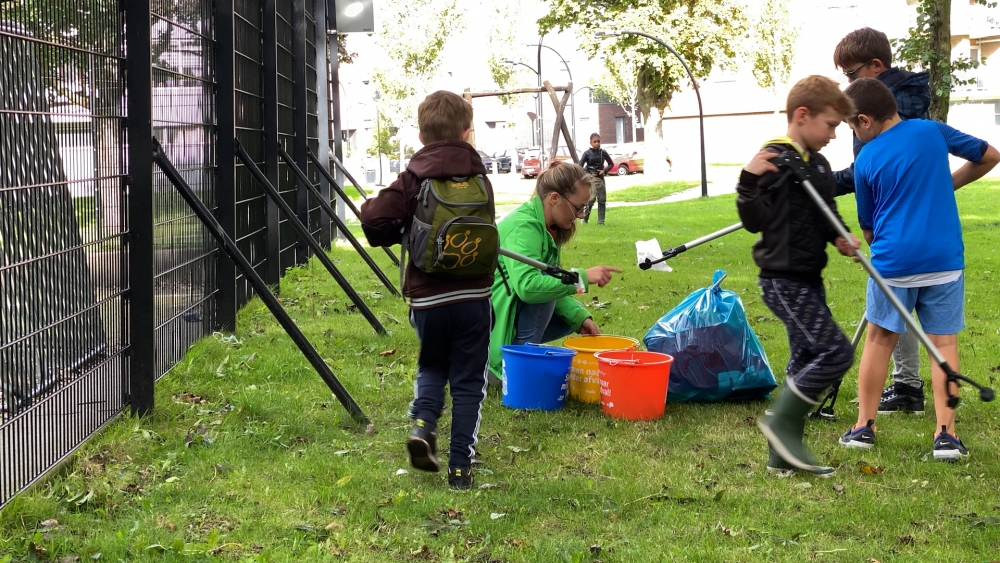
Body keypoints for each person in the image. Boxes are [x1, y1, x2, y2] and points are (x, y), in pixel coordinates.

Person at [838, 78, 999, 460]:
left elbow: (868, 226)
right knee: (943, 345)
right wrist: (948, 183)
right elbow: (990, 155)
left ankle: (863, 427)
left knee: (879, 341)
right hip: (944, 260)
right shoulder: (934, 130)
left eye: (851, 127)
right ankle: (946, 435)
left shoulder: (867, 158)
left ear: (864, 120)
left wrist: (884, 255)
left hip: (894, 263)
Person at [359, 91, 492, 489]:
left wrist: (402, 227)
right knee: (469, 381)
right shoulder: (480, 176)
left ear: (420, 136)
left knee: (433, 365)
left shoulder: (413, 178)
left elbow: (372, 222)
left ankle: (422, 426)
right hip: (474, 299)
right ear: (468, 134)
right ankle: (460, 468)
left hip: (429, 298)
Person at [736, 75, 860, 476]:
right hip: (782, 278)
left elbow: (825, 212)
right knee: (835, 352)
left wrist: (840, 237)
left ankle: (781, 457)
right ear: (802, 115)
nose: (834, 135)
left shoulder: (819, 164)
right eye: (831, 125)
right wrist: (749, 180)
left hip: (810, 276)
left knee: (806, 356)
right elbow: (752, 221)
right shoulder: (774, 158)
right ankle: (780, 423)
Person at [832, 27, 931, 414]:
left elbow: (870, 167)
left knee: (897, 302)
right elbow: (862, 171)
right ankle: (907, 386)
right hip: (890, 220)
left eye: (852, 74)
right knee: (898, 301)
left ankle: (907, 386)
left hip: (900, 222)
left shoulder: (894, 107)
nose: (848, 84)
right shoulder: (881, 101)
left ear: (876, 65)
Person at [488, 161, 621, 383]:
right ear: (554, 198)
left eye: (584, 209)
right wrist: (581, 278)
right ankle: (517, 370)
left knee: (564, 311)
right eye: (578, 207)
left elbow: (551, 282)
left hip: (502, 320)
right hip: (490, 339)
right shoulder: (525, 227)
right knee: (544, 290)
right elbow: (529, 287)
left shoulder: (547, 227)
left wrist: (579, 318)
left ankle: (523, 359)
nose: (580, 215)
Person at [578, 133, 615, 225]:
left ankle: (601, 222)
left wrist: (605, 171)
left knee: (602, 200)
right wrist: (588, 174)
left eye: (598, 141)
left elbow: (611, 164)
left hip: (600, 179)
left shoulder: (603, 152)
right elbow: (579, 166)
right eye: (594, 142)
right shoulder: (587, 153)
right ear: (591, 143)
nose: (597, 143)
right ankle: (585, 219)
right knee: (591, 200)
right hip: (590, 179)